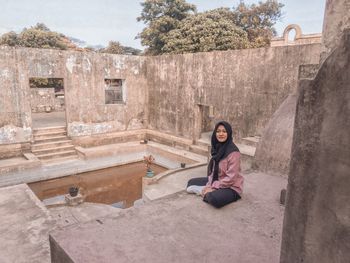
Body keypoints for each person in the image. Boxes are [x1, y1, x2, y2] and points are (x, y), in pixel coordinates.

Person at [186, 121, 243, 208]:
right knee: (191, 182)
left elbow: (231, 178)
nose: (221, 134)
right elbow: (213, 171)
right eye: (218, 131)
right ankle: (206, 190)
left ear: (229, 133)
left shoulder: (233, 152)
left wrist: (213, 186)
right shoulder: (217, 148)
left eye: (224, 131)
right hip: (218, 180)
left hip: (231, 187)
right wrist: (209, 184)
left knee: (214, 199)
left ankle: (205, 192)